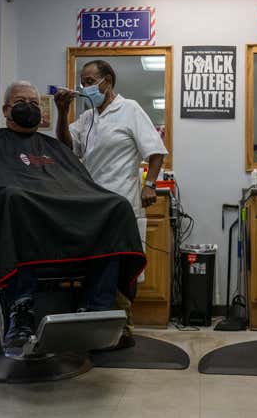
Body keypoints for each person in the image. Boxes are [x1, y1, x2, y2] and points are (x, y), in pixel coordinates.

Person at [0, 81, 146, 348]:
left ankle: (97, 308)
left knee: (116, 205)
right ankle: (21, 311)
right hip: (18, 227)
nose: (28, 107)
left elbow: (81, 188)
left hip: (63, 233)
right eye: (20, 102)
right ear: (6, 110)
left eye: (33, 103)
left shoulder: (55, 148)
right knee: (15, 198)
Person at [54, 60, 168, 347]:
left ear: (108, 81)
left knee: (119, 263)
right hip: (91, 203)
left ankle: (120, 325)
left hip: (121, 201)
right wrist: (61, 112)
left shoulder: (129, 109)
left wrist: (150, 185)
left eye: (91, 80)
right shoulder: (88, 116)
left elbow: (155, 152)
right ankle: (99, 322)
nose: (86, 86)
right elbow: (68, 148)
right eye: (83, 81)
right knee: (95, 262)